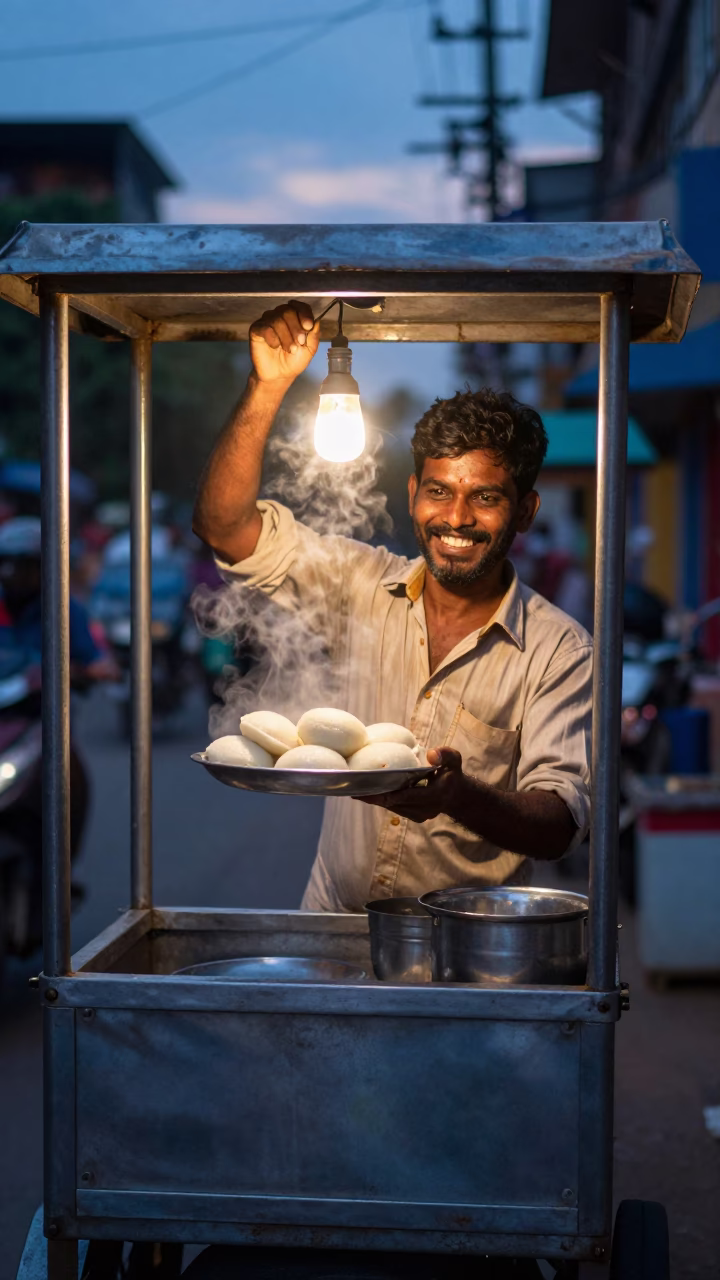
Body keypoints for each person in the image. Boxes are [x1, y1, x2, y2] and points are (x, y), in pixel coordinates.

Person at [193, 302, 592, 913]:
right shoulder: (358, 583)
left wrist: (455, 796)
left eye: (484, 497)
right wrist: (267, 385)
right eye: (439, 491)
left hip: (471, 954)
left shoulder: (558, 649)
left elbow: (559, 821)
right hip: (333, 930)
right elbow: (222, 527)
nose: (456, 519)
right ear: (413, 496)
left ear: (526, 513)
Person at [0, 518, 118, 942]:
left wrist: (90, 671)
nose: (12, 575)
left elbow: (98, 659)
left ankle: (60, 867)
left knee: (72, 777)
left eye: (24, 565)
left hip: (40, 724)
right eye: (6, 565)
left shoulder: (65, 609)